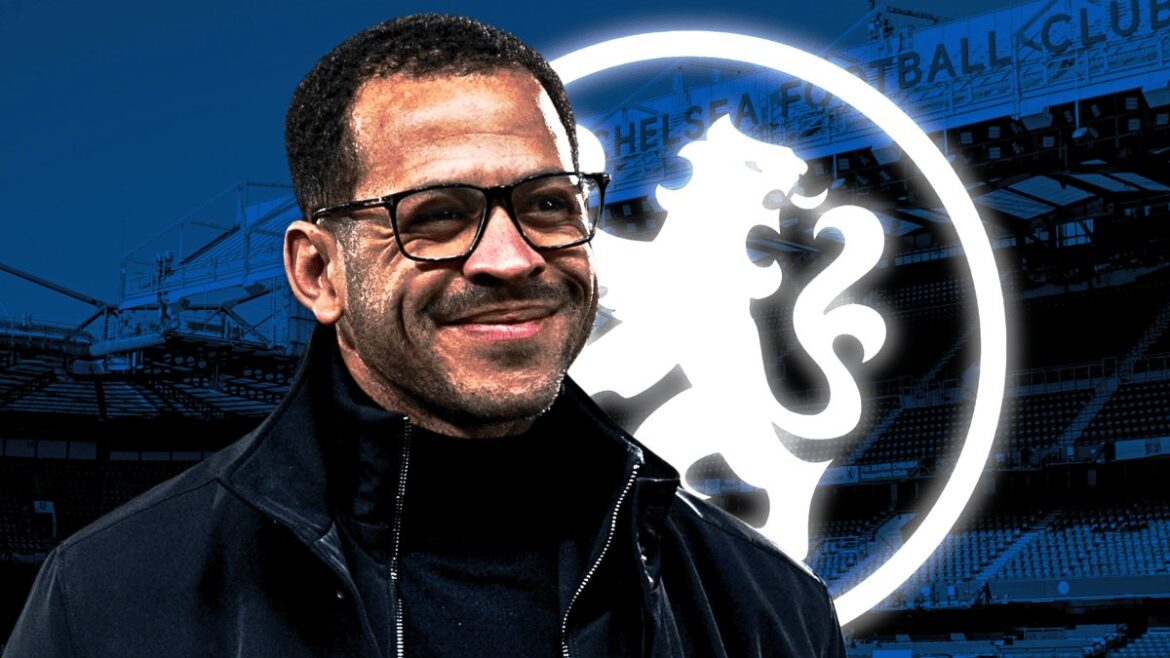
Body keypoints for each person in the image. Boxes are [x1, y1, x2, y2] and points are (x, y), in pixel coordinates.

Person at [5, 14, 847, 657]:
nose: (511, 258)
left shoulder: (767, 606)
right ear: (318, 273)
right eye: (437, 217)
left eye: (548, 204)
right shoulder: (109, 600)